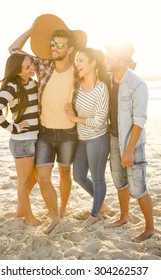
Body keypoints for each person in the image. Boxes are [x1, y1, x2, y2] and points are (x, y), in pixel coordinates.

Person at [8, 14, 87, 233]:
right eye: (52, 43)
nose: (53, 48)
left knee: (64, 174)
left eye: (59, 45)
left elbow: (95, 89)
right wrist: (33, 31)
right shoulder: (44, 66)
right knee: (43, 178)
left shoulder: (79, 71)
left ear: (70, 49)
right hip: (44, 133)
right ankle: (53, 217)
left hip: (68, 133)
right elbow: (13, 50)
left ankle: (62, 209)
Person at [104, 43, 155, 242]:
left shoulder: (137, 85)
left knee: (138, 187)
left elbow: (139, 121)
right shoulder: (108, 80)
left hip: (132, 143)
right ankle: (124, 216)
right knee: (119, 181)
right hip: (113, 138)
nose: (107, 60)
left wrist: (129, 150)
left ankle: (150, 228)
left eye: (111, 57)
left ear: (123, 60)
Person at [0, 53, 41, 226]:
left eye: (32, 64)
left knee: (34, 178)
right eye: (28, 67)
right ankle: (28, 218)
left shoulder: (33, 83)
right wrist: (14, 127)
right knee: (23, 181)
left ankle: (21, 209)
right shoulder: (12, 86)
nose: (32, 68)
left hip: (35, 139)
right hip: (22, 141)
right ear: (18, 71)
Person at [65, 48, 110, 227]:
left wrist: (74, 119)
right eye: (76, 60)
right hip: (81, 138)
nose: (77, 64)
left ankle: (94, 214)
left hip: (98, 139)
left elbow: (99, 121)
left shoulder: (101, 88)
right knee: (78, 176)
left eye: (81, 60)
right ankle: (101, 203)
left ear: (92, 64)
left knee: (98, 178)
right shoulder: (77, 85)